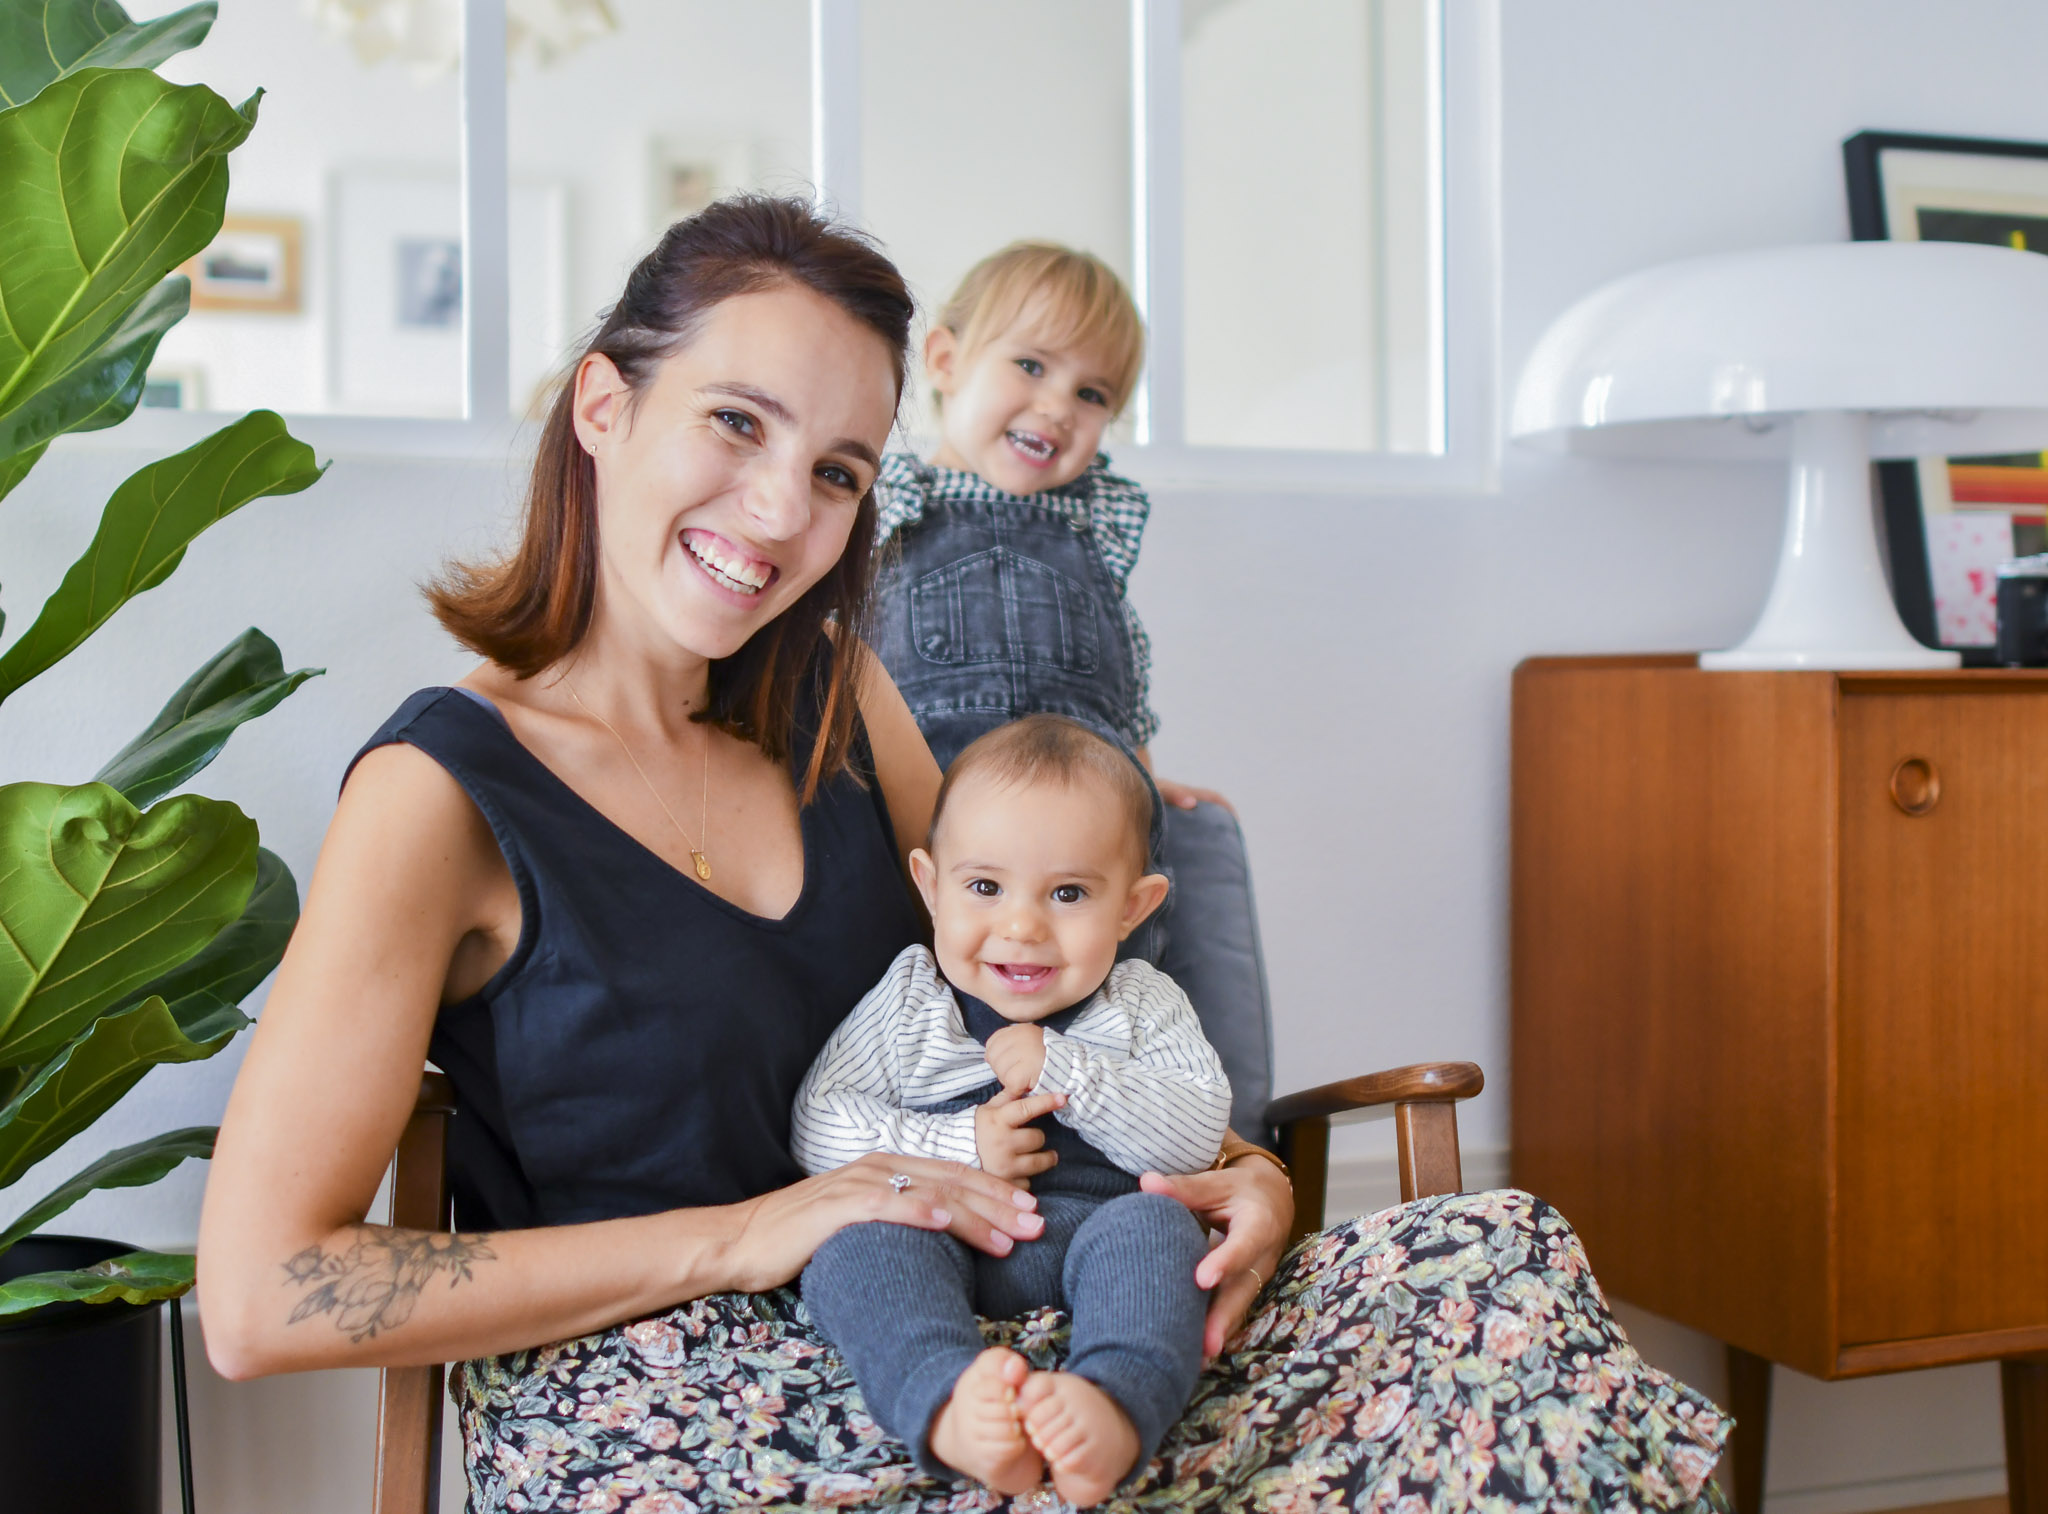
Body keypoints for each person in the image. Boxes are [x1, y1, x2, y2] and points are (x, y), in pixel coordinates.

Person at [197, 196, 1726, 1513]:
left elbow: (1042, 973)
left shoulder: (839, 700)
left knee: (1488, 1269)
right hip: (678, 1396)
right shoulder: (442, 791)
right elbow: (261, 1297)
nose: (781, 511)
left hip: (1006, 1310)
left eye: (843, 468)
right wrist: (746, 1235)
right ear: (606, 406)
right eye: (737, 421)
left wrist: (1245, 1175)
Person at [869, 243, 1275, 1143]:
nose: (1058, 405)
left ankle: (1143, 1132)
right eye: (1030, 366)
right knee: (915, 991)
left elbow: (1118, 675)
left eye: (1093, 395)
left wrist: (1140, 776)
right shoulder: (888, 505)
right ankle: (943, 1134)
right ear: (944, 362)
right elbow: (846, 663)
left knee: (1123, 982)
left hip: (1083, 829)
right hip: (939, 825)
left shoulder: (1093, 529)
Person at [795, 715, 1229, 1505]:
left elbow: (1200, 1133)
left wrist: (1065, 1067)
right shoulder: (911, 999)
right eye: (985, 887)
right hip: (944, 1235)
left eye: (1068, 893)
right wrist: (963, 1143)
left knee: (1164, 1230)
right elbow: (819, 1123)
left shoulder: (1141, 1001)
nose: (1022, 927)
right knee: (857, 1247)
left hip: (1097, 1239)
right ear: (930, 885)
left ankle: (1113, 1403)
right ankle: (951, 1402)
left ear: (1134, 907)